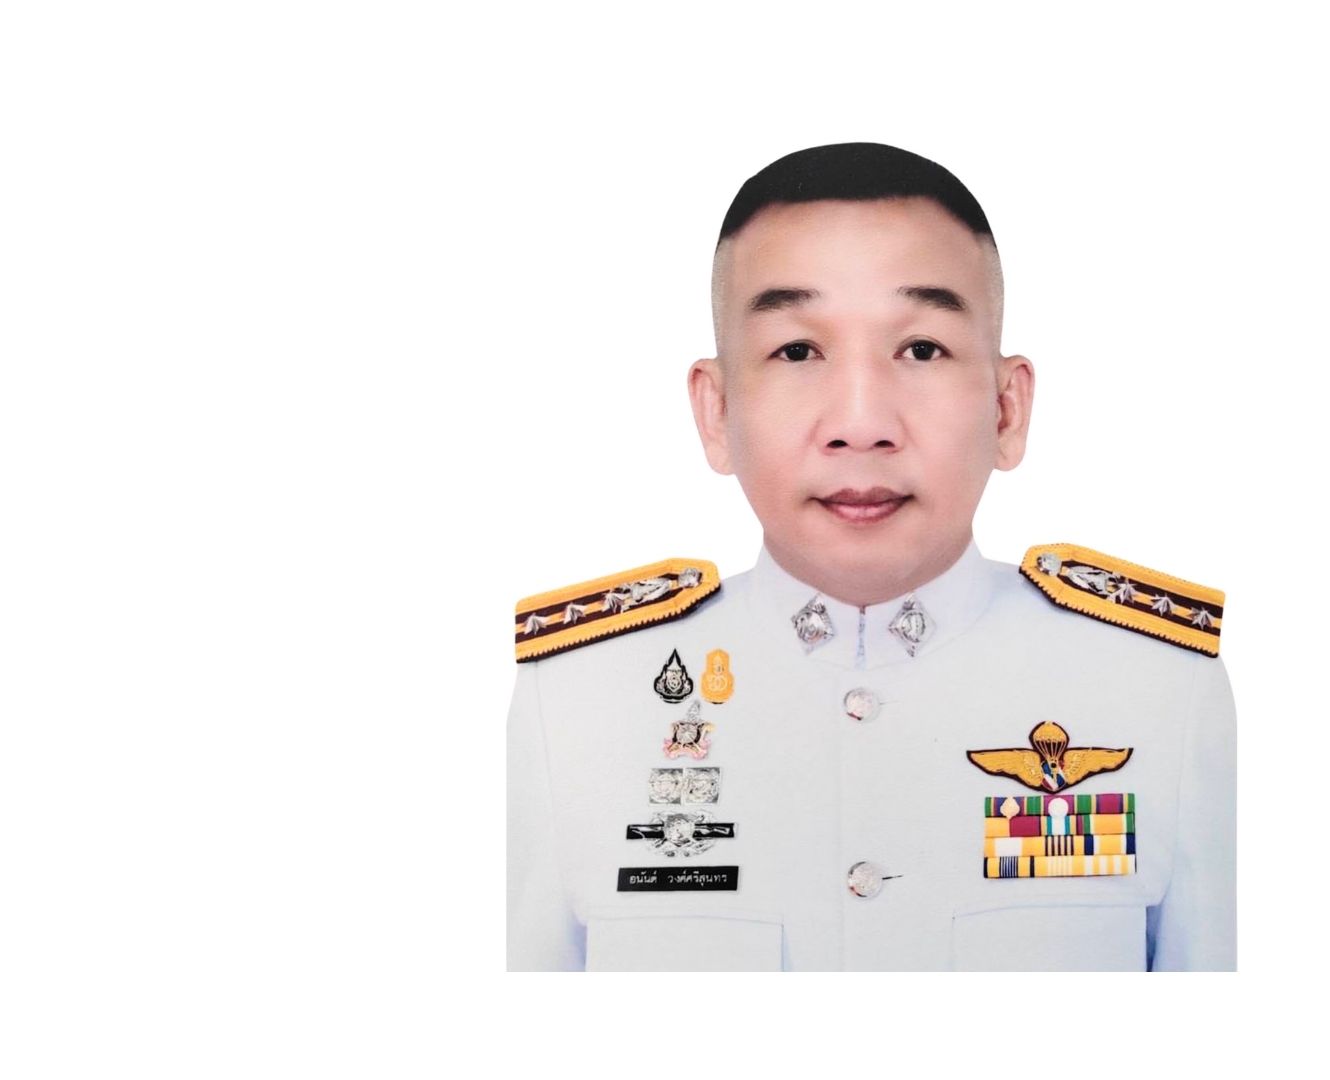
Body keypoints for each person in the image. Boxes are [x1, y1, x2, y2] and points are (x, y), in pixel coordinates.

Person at [507, 142, 1236, 971]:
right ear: (717, 413)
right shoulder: (576, 703)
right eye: (797, 351)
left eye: (921, 349)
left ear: (1007, 409)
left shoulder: (1160, 690)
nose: (861, 424)